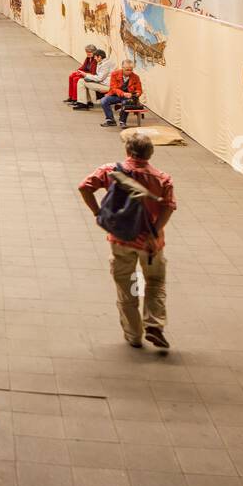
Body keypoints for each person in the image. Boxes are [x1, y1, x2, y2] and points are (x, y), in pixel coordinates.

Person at [77, 131, 175, 350]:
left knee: (126, 284)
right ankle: (154, 324)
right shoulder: (162, 178)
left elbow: (84, 187)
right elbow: (169, 207)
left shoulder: (111, 171)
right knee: (155, 282)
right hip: (151, 245)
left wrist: (97, 212)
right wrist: (155, 230)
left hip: (120, 239)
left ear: (128, 151)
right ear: (150, 154)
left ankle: (133, 334)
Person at [100, 59, 143, 128]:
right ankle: (110, 120)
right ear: (122, 67)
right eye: (127, 69)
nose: (129, 72)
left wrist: (138, 93)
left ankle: (122, 121)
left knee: (127, 103)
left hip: (128, 97)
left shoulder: (136, 77)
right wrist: (123, 93)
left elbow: (139, 89)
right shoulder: (114, 74)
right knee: (103, 101)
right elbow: (113, 88)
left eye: (131, 70)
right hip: (115, 95)